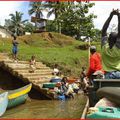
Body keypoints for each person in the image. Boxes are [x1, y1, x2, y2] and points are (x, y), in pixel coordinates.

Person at [101, 9, 120, 79]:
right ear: (117, 40)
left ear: (108, 39)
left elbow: (104, 31)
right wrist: (119, 16)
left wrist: (110, 16)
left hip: (108, 75)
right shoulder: (118, 48)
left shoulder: (104, 47)